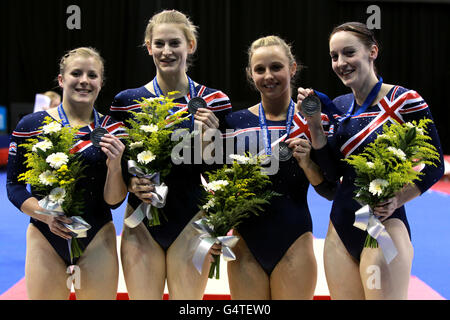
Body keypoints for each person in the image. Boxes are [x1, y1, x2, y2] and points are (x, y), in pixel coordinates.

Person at [297, 22, 444, 299]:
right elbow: (331, 175)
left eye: (349, 53)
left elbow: (435, 165)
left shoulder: (405, 101)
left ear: (372, 51)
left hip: (383, 224)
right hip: (340, 228)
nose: (341, 63)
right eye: (334, 56)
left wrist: (398, 199)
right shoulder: (337, 107)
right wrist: (315, 126)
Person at [110, 9, 232, 299]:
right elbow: (117, 163)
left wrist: (209, 140)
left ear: (190, 46)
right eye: (160, 44)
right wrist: (130, 182)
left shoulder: (215, 101)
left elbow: (221, 174)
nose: (167, 51)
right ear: (148, 46)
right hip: (141, 222)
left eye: (175, 43)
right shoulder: (126, 102)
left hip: (191, 220)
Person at [7, 47, 128, 299]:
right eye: (76, 73)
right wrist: (46, 216)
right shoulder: (31, 125)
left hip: (97, 236)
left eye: (92, 75)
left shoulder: (113, 129)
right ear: (61, 80)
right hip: (45, 234)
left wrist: (115, 165)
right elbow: (14, 187)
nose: (84, 80)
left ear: (101, 83)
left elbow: (114, 202)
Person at [225, 35, 336, 299]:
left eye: (276, 67)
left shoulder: (312, 122)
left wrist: (308, 163)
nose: (268, 76)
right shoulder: (233, 123)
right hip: (244, 246)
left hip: (294, 242)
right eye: (260, 69)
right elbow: (219, 186)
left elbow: (331, 190)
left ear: (292, 68)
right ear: (250, 75)